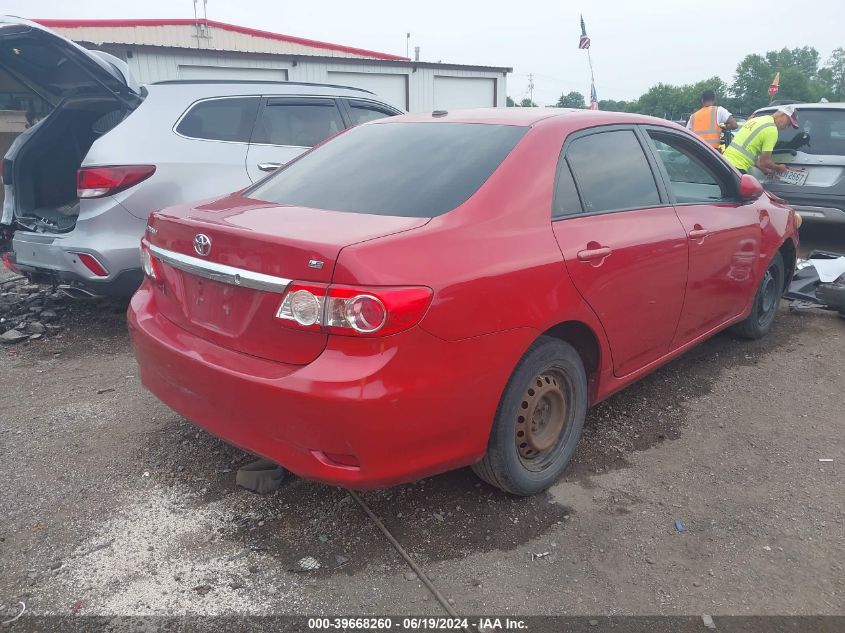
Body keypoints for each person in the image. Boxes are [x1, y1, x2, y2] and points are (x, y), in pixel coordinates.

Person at [722, 104, 799, 177]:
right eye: (788, 123)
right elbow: (765, 162)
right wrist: (779, 168)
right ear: (783, 115)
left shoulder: (757, 119)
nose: (786, 127)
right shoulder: (771, 130)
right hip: (738, 167)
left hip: (724, 161)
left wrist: (767, 171)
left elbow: (752, 155)